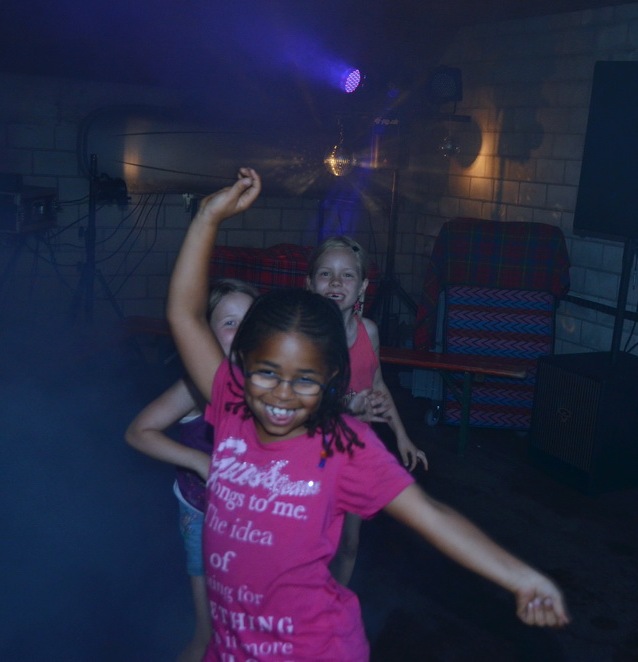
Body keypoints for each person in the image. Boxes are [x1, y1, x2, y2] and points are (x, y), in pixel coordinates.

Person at [167, 169, 570, 662]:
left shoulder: (345, 444)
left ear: (332, 377)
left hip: (315, 652)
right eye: (267, 373)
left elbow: (433, 515)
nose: (283, 394)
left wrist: (521, 577)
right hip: (233, 649)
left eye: (305, 379)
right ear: (242, 366)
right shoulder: (231, 407)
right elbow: (185, 315)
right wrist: (207, 218)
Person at [125, 278, 258, 662]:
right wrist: (199, 461)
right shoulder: (195, 388)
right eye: (230, 323)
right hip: (201, 516)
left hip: (250, 523)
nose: (243, 332)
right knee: (208, 632)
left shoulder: (267, 384)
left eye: (251, 321)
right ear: (204, 335)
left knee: (249, 622)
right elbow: (138, 432)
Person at [306, 235, 427, 586]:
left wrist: (402, 436)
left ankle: (334, 601)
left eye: (347, 275)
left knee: (349, 542)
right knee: (313, 538)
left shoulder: (368, 332)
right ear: (310, 284)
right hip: (311, 454)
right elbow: (303, 401)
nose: (335, 283)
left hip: (356, 451)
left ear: (362, 287)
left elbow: (377, 385)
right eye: (326, 274)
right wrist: (346, 404)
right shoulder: (301, 338)